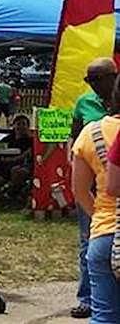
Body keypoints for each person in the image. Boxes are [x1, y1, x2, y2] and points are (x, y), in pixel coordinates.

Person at [72, 58, 117, 319]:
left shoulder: (94, 132)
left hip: (105, 224)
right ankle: (84, 297)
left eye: (99, 79)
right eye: (91, 80)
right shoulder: (83, 105)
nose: (95, 85)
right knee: (84, 245)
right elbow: (73, 138)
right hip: (99, 207)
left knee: (105, 316)